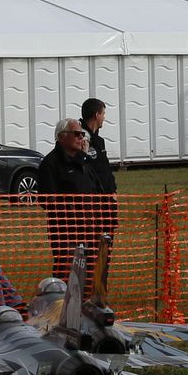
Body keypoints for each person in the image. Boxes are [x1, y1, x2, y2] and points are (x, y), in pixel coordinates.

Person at [41, 117, 108, 280]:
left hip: (91, 230)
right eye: (77, 134)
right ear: (62, 136)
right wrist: (72, 213)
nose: (81, 137)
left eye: (82, 134)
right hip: (67, 233)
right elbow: (46, 199)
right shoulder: (50, 163)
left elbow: (96, 190)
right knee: (68, 275)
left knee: (90, 276)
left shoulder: (83, 161)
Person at [80, 99, 121, 287]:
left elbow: (105, 170)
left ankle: (99, 289)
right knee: (90, 250)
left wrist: (112, 191)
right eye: (103, 114)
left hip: (106, 206)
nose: (104, 117)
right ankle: (87, 288)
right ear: (97, 115)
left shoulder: (99, 141)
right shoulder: (81, 139)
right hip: (91, 208)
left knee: (105, 247)